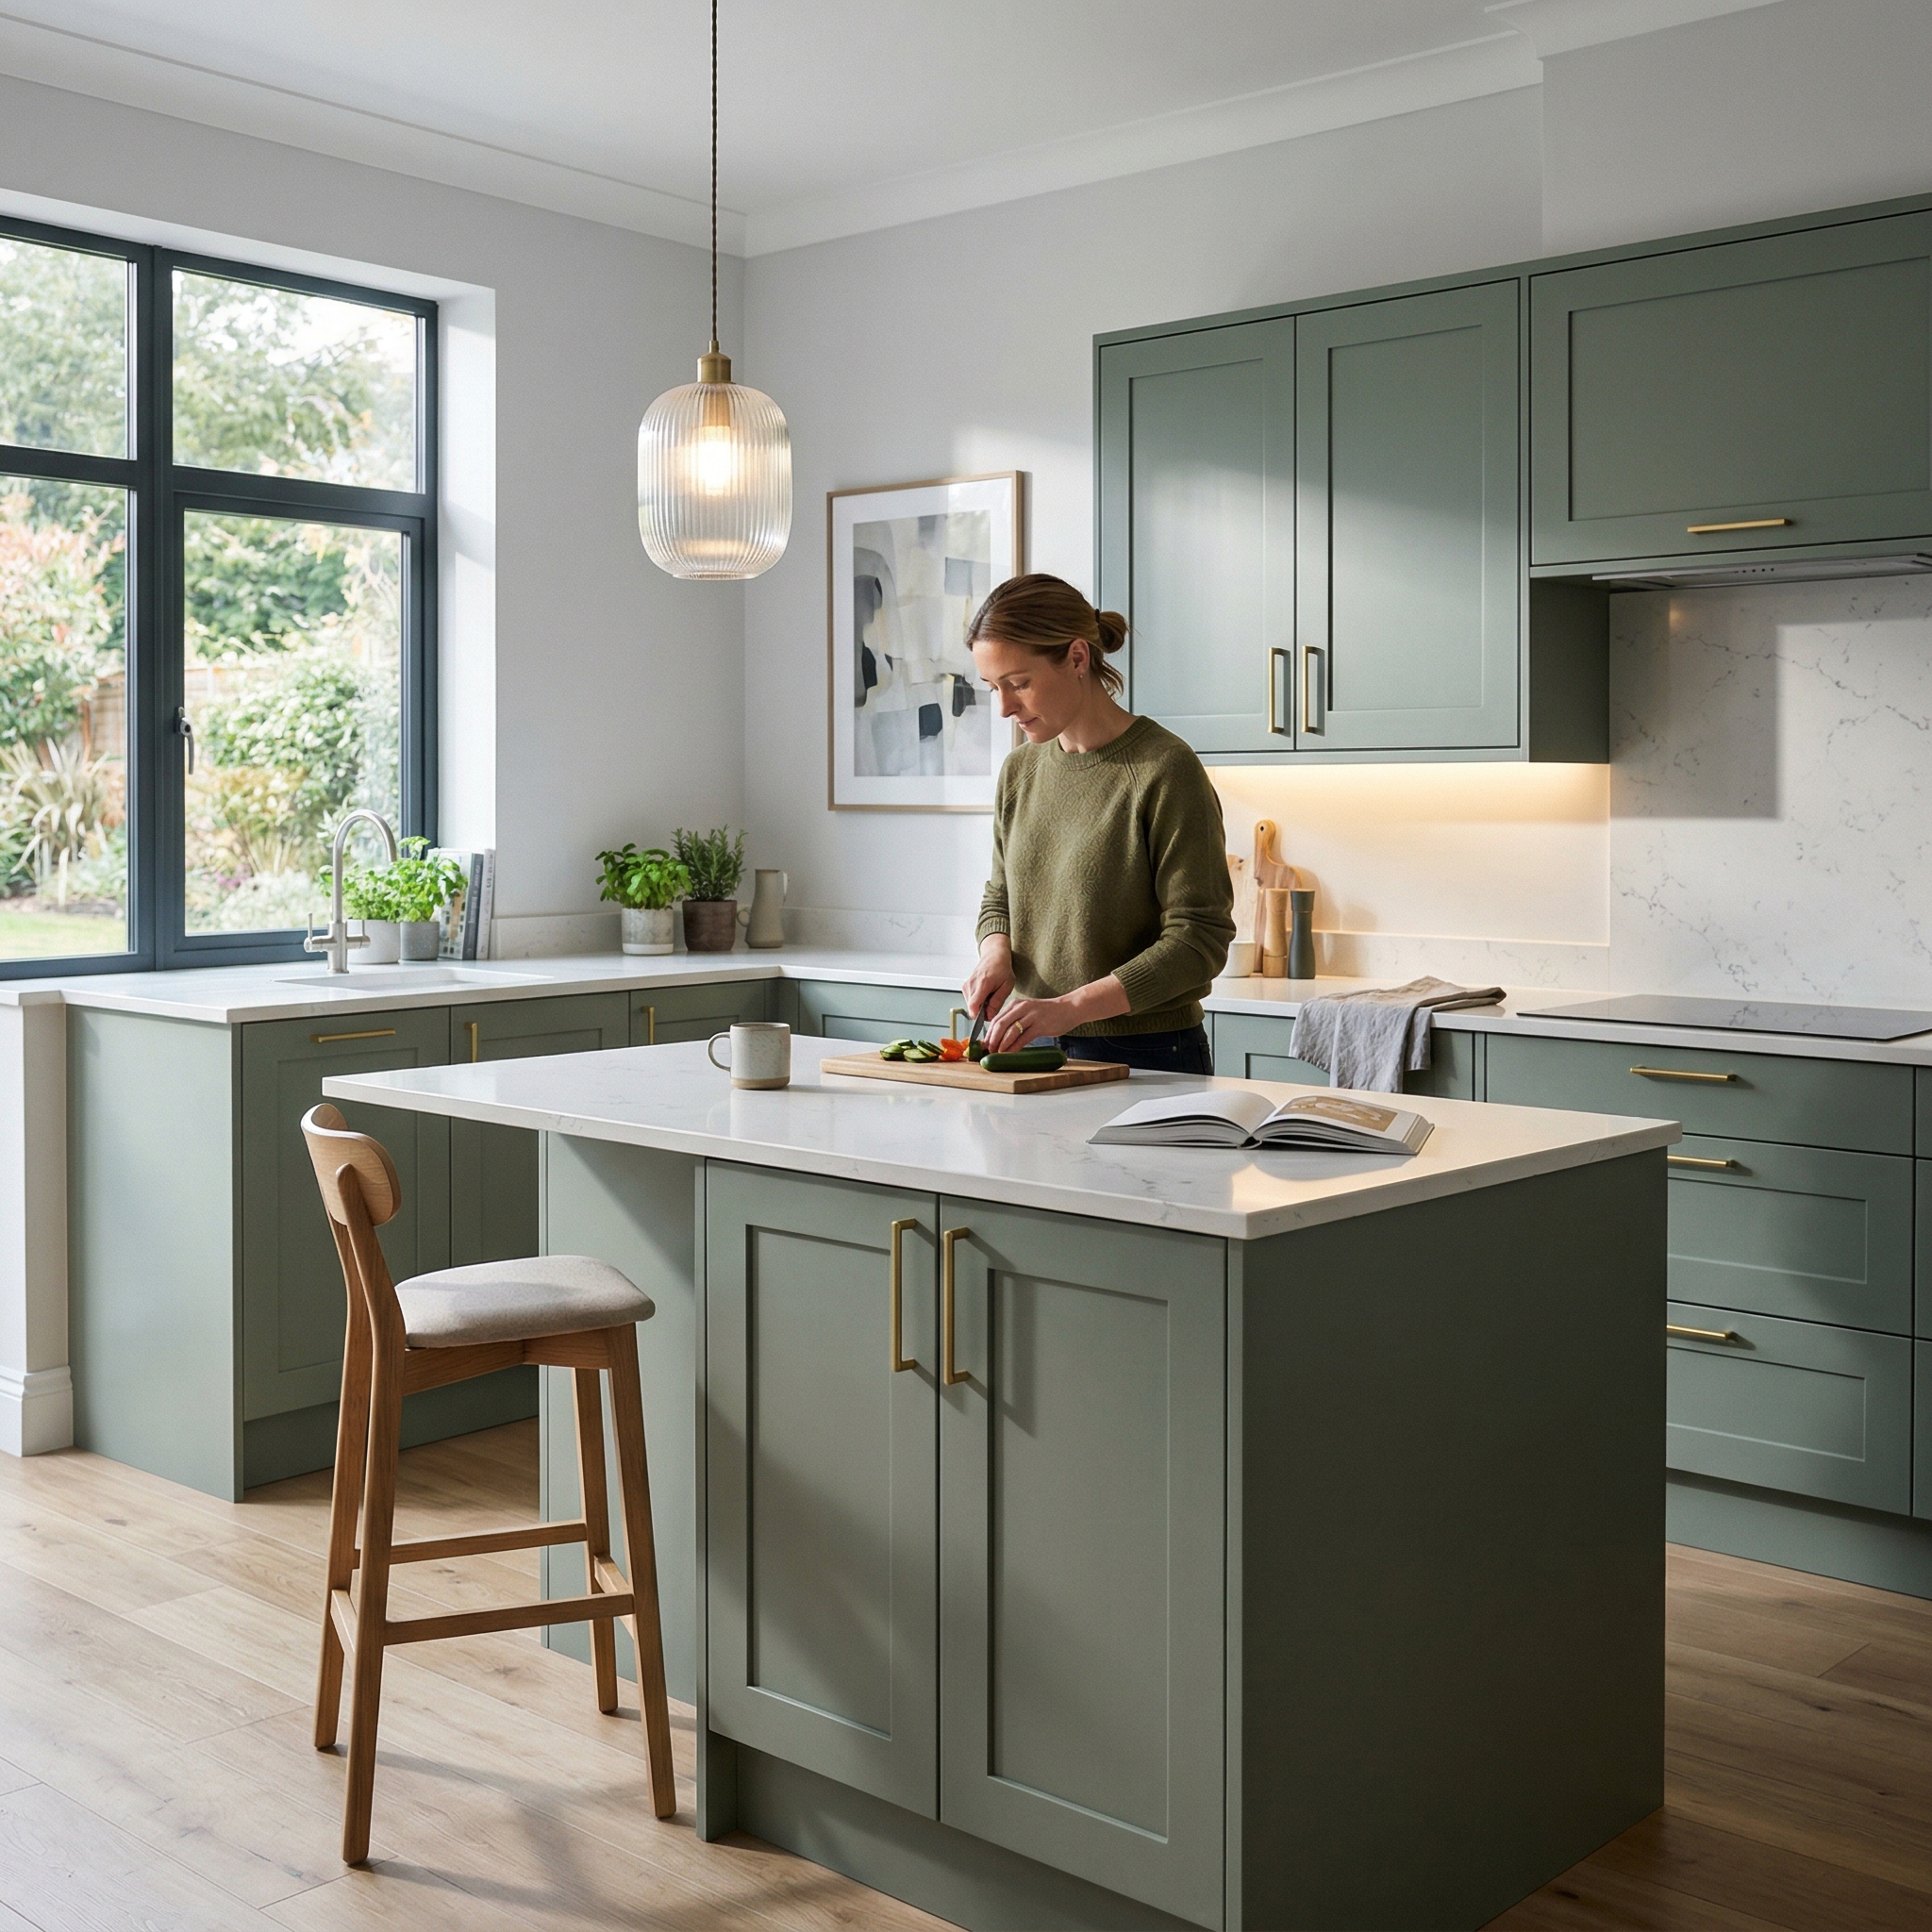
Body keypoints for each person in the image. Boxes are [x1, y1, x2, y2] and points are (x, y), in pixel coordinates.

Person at [961, 573, 1235, 1076]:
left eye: (1019, 683)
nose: (1004, 708)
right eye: (993, 687)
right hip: (1032, 1046)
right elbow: (1000, 896)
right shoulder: (1020, 771)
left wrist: (1070, 1007)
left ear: (1077, 658)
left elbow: (1199, 939)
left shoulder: (1164, 769)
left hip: (1148, 1054)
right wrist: (995, 952)